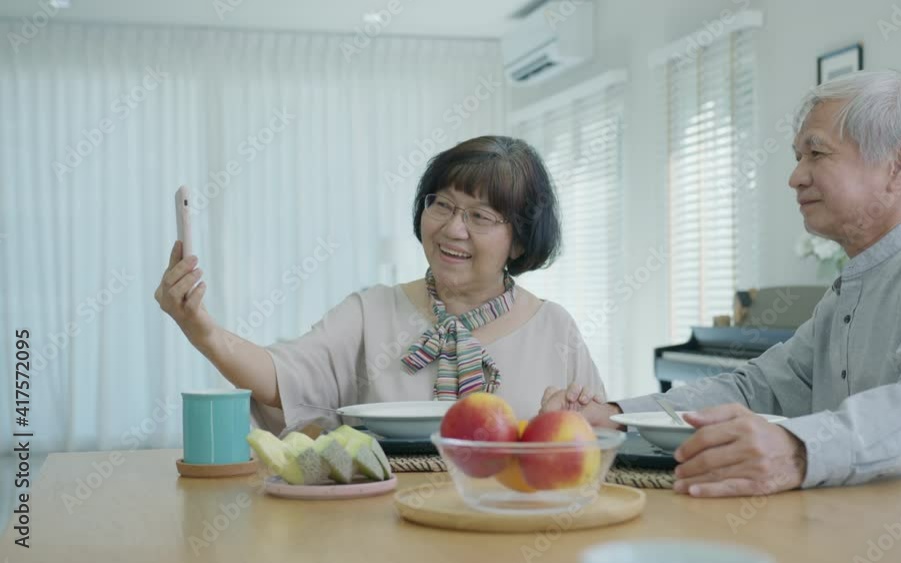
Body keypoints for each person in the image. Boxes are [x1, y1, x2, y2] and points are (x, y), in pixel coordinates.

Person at [541, 70, 901, 500]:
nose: (795, 177)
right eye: (798, 157)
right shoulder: (850, 289)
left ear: (900, 164)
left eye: (816, 153)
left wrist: (797, 450)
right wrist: (619, 416)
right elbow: (759, 388)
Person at [155, 135, 606, 433]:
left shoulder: (554, 329)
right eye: (442, 205)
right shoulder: (371, 312)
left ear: (520, 241)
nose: (453, 229)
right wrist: (202, 329)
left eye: (480, 216)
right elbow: (282, 378)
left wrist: (566, 424)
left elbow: (598, 442)